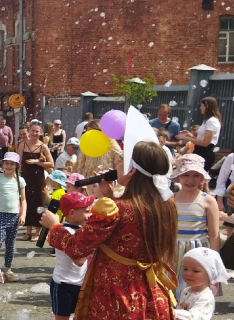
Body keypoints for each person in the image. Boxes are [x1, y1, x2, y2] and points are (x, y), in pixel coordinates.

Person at [40, 140, 178, 319]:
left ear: (132, 170)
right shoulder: (167, 206)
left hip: (118, 297)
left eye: (121, 161)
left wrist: (55, 226)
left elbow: (78, 247)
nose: (117, 165)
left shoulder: (114, 208)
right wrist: (110, 197)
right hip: (152, 292)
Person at [171, 154, 219, 297]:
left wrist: (213, 261)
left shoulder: (208, 201)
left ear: (202, 178)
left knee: (196, 291)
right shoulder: (170, 200)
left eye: (196, 175)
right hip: (174, 250)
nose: (190, 180)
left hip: (198, 251)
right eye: (185, 175)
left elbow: (214, 235)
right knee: (174, 290)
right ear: (178, 176)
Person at [50, 192, 95, 320]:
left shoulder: (80, 229)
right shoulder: (65, 232)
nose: (90, 215)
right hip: (64, 284)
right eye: (86, 211)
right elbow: (79, 260)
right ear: (72, 213)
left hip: (81, 283)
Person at [0, 152, 26, 282]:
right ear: (2, 164)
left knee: (10, 244)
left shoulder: (19, 180)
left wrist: (23, 214)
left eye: (12, 164)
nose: (9, 166)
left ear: (16, 166)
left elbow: (23, 200)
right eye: (7, 163)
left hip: (14, 216)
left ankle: (8, 270)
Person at [18, 122, 55, 240]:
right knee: (26, 201)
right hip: (25, 177)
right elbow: (18, 162)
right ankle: (28, 230)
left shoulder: (43, 146)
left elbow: (51, 164)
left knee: (39, 202)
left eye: (37, 131)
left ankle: (37, 231)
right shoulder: (22, 145)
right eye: (33, 131)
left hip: (38, 178)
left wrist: (36, 162)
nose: (34, 133)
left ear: (40, 133)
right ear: (29, 131)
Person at [174, 247, 228, 320]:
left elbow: (194, 317)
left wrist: (172, 312)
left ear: (209, 274)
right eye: (185, 269)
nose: (188, 273)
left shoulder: (206, 297)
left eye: (195, 271)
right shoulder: (186, 290)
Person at [177, 97, 222, 185]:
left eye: (201, 105)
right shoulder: (207, 121)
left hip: (205, 152)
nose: (200, 107)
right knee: (199, 181)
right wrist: (190, 135)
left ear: (207, 106)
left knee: (197, 181)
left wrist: (186, 138)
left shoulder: (211, 121)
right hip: (200, 151)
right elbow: (202, 138)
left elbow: (206, 143)